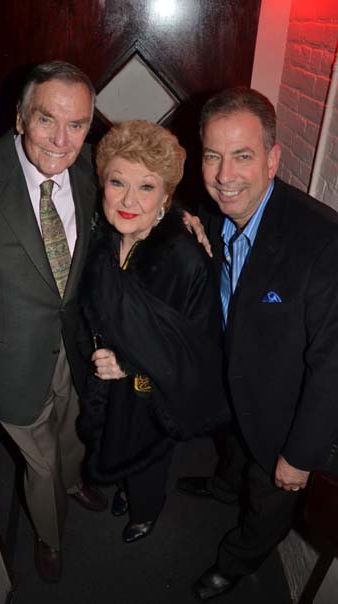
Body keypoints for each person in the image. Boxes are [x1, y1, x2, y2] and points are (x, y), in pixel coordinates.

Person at [0, 61, 108, 583]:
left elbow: (136, 211)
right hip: (7, 357)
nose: (62, 139)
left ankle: (76, 479)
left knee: (73, 433)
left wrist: (184, 220)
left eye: (77, 124)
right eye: (46, 120)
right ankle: (49, 536)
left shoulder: (89, 175)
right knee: (41, 464)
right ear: (19, 118)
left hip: (73, 351)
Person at [176, 87, 338, 602]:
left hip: (282, 420)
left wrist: (300, 455)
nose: (225, 175)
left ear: (272, 159)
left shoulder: (322, 243)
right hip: (233, 390)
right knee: (234, 456)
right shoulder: (216, 210)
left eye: (242, 156)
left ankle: (236, 562)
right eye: (212, 155)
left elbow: (333, 365)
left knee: (267, 501)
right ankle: (224, 485)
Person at [76, 120, 228, 544]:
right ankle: (126, 486)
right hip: (102, 392)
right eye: (117, 182)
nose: (127, 200)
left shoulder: (184, 261)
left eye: (146, 187)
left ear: (166, 195)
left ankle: (147, 510)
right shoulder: (101, 235)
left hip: (150, 396)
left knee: (146, 463)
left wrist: (129, 366)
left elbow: (197, 356)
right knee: (113, 448)